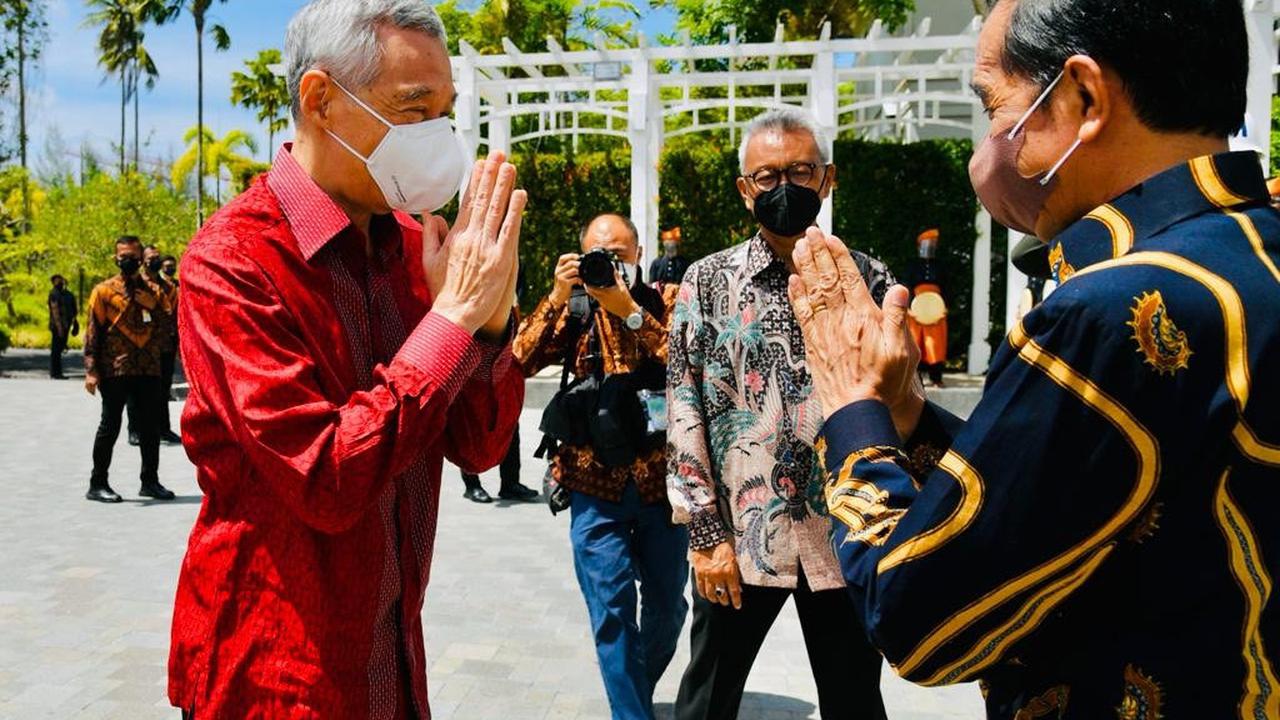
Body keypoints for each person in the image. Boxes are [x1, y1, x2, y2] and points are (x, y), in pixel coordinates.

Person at [791, 1, 1280, 718]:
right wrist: (909, 416)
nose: (988, 144)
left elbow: (920, 622)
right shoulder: (1252, 250)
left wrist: (853, 408)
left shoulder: (1113, 308)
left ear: (1082, 97)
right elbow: (1077, 491)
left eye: (995, 105)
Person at [167, 1, 526, 717]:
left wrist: (489, 325)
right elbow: (327, 479)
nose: (435, 137)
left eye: (444, 111)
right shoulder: (233, 262)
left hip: (392, 660)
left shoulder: (408, 248)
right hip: (272, 675)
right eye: (412, 108)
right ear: (321, 99)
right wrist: (452, 317)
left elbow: (479, 447)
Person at [666, 108, 891, 720]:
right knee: (706, 701)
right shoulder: (706, 283)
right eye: (767, 177)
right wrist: (706, 536)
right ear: (745, 191)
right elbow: (684, 409)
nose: (784, 187)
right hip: (740, 541)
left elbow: (896, 405)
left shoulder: (868, 279)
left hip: (844, 540)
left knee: (855, 702)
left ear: (828, 178)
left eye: (800, 170)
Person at [515, 213, 688, 720]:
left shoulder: (667, 299)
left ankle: (630, 686)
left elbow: (691, 360)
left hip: (662, 486)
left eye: (619, 254)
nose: (609, 263)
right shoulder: (573, 308)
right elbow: (518, 360)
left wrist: (629, 310)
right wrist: (555, 295)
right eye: (598, 255)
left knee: (668, 609)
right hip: (592, 486)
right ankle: (631, 711)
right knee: (611, 613)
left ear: (638, 253)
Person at [83, 235, 176, 503]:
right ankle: (97, 482)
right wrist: (91, 370)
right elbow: (92, 334)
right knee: (109, 426)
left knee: (150, 429)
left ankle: (150, 481)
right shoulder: (103, 291)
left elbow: (167, 326)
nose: (129, 261)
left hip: (148, 368)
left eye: (134, 257)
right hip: (115, 369)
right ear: (115, 259)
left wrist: (150, 305)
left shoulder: (156, 292)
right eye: (123, 257)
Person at [128, 245, 181, 446]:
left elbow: (172, 314)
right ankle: (135, 430)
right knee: (136, 390)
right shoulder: (136, 284)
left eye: (157, 257)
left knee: (162, 389)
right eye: (151, 257)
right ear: (143, 260)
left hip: (164, 345)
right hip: (140, 345)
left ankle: (163, 429)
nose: (155, 260)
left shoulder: (168, 287)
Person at [906, 228, 947, 387]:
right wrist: (909, 307)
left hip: (937, 311)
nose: (930, 246)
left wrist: (945, 307)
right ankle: (915, 380)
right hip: (916, 312)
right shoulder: (913, 266)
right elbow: (907, 286)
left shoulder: (940, 266)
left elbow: (947, 287)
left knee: (936, 345)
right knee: (916, 344)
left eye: (933, 244)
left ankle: (936, 378)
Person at [47, 274, 78, 379]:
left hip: (66, 326)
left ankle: (57, 372)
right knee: (56, 350)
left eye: (61, 280)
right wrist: (59, 328)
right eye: (57, 280)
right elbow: (55, 312)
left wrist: (74, 323)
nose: (60, 282)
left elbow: (73, 310)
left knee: (59, 349)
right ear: (53, 282)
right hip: (57, 327)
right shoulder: (54, 294)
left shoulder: (67, 294)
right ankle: (55, 373)